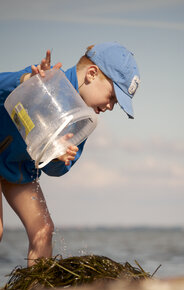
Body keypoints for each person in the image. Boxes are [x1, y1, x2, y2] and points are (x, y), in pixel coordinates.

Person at [0, 42, 140, 266]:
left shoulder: (82, 120)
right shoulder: (45, 79)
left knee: (43, 230)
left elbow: (56, 169)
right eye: (112, 97)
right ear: (92, 74)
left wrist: (57, 157)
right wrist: (26, 81)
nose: (111, 107)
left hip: (16, 168)